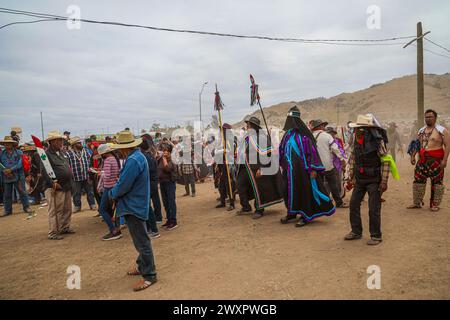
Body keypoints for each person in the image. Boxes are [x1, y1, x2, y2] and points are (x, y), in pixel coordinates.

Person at [109, 131, 157, 292]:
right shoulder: (137, 157)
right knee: (140, 240)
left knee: (142, 241)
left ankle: (149, 275)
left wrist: (112, 193)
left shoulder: (133, 160)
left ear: (124, 148)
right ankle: (142, 266)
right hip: (135, 204)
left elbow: (123, 185)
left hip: (134, 205)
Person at [279, 106, 336, 227]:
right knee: (288, 192)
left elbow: (312, 152)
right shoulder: (287, 135)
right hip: (289, 171)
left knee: (304, 192)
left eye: (291, 119)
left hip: (303, 171)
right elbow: (282, 149)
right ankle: (291, 213)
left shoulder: (304, 135)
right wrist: (282, 164)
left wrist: (314, 168)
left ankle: (306, 216)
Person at [344, 114, 396, 245]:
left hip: (374, 180)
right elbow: (353, 158)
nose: (358, 131)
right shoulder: (355, 139)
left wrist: (384, 181)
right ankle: (356, 231)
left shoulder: (377, 141)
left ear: (366, 130)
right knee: (354, 204)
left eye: (361, 129)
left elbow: (385, 161)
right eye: (357, 129)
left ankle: (376, 235)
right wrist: (351, 176)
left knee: (374, 208)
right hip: (360, 180)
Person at [236, 116, 284, 219]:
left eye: (248, 125)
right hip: (244, 167)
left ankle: (259, 209)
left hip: (256, 168)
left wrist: (262, 169)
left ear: (253, 127)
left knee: (258, 188)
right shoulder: (246, 138)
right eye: (247, 125)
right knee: (240, 186)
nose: (247, 127)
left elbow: (268, 155)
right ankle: (245, 207)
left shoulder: (261, 138)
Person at [407, 109, 449, 212]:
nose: (428, 119)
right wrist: (413, 156)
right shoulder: (421, 130)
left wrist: (444, 160)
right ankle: (417, 202)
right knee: (418, 180)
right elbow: (418, 145)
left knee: (437, 182)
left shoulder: (442, 130)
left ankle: (434, 204)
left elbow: (447, 146)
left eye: (430, 117)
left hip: (436, 160)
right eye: (426, 117)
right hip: (422, 160)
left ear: (435, 118)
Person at [42, 131, 74, 240]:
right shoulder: (45, 154)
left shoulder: (62, 152)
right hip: (54, 187)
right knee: (56, 210)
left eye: (61, 140)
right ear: (52, 142)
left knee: (67, 208)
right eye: (58, 140)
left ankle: (64, 227)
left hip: (66, 185)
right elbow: (44, 171)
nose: (61, 142)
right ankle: (53, 232)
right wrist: (52, 183)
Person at [311, 120, 348, 208]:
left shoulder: (310, 137)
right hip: (327, 165)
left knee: (319, 185)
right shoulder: (327, 136)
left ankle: (322, 204)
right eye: (323, 125)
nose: (324, 128)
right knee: (333, 184)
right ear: (319, 127)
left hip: (316, 166)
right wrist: (342, 159)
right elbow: (335, 149)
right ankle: (338, 202)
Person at [0, 136, 34, 217]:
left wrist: (11, 170)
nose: (7, 145)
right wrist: (5, 171)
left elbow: (20, 164)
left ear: (12, 144)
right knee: (7, 194)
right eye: (5, 143)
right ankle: (7, 210)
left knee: (22, 192)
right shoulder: (1, 154)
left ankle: (26, 207)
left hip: (18, 176)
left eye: (9, 143)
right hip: (6, 177)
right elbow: (0, 165)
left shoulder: (19, 152)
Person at [96, 143, 122, 241]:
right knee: (113, 210)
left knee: (102, 209)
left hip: (108, 187)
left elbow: (106, 176)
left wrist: (100, 174)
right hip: (114, 186)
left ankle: (113, 230)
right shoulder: (114, 159)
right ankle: (117, 228)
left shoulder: (107, 160)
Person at [66, 137, 97, 212]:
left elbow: (92, 160)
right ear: (74, 145)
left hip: (86, 176)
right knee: (76, 193)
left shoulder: (86, 151)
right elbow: (67, 164)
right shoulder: (68, 153)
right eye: (78, 143)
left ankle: (92, 205)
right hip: (75, 176)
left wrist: (92, 169)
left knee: (90, 192)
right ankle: (77, 206)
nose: (80, 144)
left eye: (80, 143)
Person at [140, 139, 161, 239]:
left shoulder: (145, 157)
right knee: (147, 207)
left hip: (149, 184)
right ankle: (150, 228)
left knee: (147, 208)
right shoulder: (149, 156)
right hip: (152, 183)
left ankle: (153, 229)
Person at [214, 123, 236, 211]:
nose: (220, 132)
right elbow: (217, 152)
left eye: (222, 130)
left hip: (228, 164)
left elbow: (231, 150)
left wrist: (222, 150)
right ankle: (222, 201)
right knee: (221, 185)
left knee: (229, 185)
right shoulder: (221, 140)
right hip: (221, 164)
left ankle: (232, 203)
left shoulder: (230, 139)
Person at [141, 134, 162, 224]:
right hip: (154, 177)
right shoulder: (151, 149)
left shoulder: (148, 152)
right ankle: (158, 217)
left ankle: (155, 218)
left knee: (150, 200)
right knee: (155, 198)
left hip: (151, 178)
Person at [158, 144, 178, 230]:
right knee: (165, 202)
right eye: (163, 150)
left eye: (165, 150)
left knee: (171, 202)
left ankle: (173, 221)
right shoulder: (160, 159)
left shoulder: (172, 159)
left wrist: (164, 159)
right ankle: (169, 219)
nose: (164, 152)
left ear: (169, 152)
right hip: (162, 183)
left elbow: (167, 169)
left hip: (170, 183)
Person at [326, 126, 348, 198]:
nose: (331, 135)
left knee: (338, 181)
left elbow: (341, 150)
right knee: (328, 182)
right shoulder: (325, 141)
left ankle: (339, 196)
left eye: (332, 133)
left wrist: (343, 159)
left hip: (337, 164)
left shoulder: (337, 141)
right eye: (329, 133)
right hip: (328, 164)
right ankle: (328, 197)